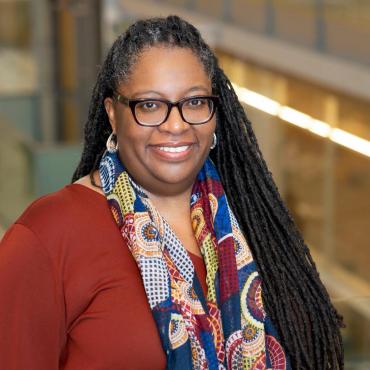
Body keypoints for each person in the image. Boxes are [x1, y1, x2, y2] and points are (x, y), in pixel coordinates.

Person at [0, 15, 344, 370]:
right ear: (113, 115)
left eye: (194, 102)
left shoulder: (251, 223)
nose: (176, 124)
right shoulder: (48, 235)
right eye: (149, 105)